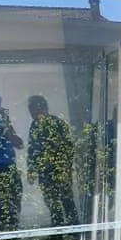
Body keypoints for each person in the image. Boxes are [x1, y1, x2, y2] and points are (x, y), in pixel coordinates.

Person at [27, 95, 78, 229]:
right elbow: (32, 149)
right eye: (30, 109)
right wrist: (31, 169)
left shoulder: (57, 123)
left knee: (66, 200)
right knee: (51, 201)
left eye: (33, 109)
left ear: (43, 108)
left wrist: (64, 168)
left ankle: (74, 229)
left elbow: (68, 147)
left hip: (60, 170)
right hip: (45, 171)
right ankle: (58, 228)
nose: (32, 112)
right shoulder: (35, 125)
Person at [0, 91, 24, 237]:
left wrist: (8, 126)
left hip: (5, 168)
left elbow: (19, 144)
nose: (0, 109)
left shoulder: (2, 124)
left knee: (8, 206)